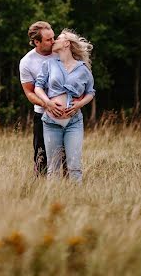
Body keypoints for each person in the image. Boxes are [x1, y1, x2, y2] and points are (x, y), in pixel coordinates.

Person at [34, 29, 95, 183]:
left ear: (67, 43)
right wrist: (47, 102)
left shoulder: (83, 69)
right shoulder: (49, 64)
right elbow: (38, 87)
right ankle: (52, 201)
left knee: (74, 166)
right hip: (51, 123)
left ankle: (77, 201)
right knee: (52, 168)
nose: (54, 41)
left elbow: (91, 92)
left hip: (73, 123)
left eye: (59, 38)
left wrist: (79, 104)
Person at [19, 21, 66, 176]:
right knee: (41, 156)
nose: (53, 42)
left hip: (67, 113)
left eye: (54, 37)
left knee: (68, 156)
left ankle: (71, 190)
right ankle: (39, 191)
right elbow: (29, 93)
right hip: (42, 115)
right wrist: (47, 104)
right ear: (36, 42)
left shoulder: (61, 52)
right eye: (48, 40)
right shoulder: (27, 62)